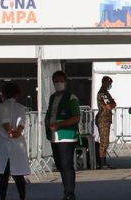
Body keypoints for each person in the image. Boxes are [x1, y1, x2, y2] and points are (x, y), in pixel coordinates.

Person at [45, 71, 81, 200]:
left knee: (66, 164)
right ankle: (67, 190)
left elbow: (77, 117)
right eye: (56, 81)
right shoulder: (52, 97)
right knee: (60, 165)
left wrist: (59, 125)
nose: (58, 84)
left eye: (61, 81)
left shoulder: (71, 97)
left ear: (65, 82)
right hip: (54, 136)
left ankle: (69, 193)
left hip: (66, 135)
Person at [0, 82, 30, 200]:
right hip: (17, 145)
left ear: (4, 93)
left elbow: (4, 121)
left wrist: (9, 131)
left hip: (4, 146)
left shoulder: (1, 106)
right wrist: (17, 131)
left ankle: (2, 197)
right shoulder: (21, 107)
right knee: (19, 175)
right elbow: (21, 123)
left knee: (3, 175)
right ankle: (22, 197)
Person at [95, 76, 117, 169]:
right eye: (109, 83)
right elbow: (109, 106)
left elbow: (113, 104)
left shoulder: (106, 93)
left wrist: (113, 104)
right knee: (104, 142)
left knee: (105, 141)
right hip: (103, 119)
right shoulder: (103, 93)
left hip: (105, 119)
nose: (110, 85)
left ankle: (102, 162)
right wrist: (113, 104)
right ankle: (102, 163)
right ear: (104, 82)